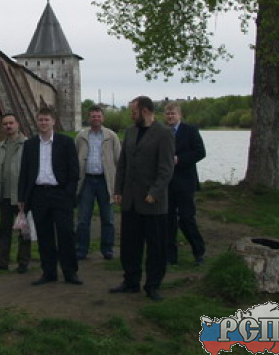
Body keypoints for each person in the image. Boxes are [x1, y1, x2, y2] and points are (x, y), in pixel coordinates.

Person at [110, 96, 174, 301]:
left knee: (156, 247)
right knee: (130, 245)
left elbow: (166, 169)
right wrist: (118, 189)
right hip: (130, 200)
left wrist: (154, 192)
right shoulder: (130, 132)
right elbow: (123, 164)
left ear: (145, 111)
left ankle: (153, 285)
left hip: (152, 202)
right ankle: (131, 281)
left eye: (134, 112)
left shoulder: (164, 133)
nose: (131, 115)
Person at [18, 107, 81, 286]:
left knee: (66, 234)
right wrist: (22, 198)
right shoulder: (30, 145)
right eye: (40, 120)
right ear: (37, 122)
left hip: (60, 194)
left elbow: (74, 171)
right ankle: (49, 272)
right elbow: (24, 173)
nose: (43, 123)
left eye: (46, 120)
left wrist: (68, 193)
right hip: (39, 195)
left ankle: (70, 272)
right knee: (44, 236)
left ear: (53, 121)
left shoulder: (66, 142)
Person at [75, 105, 122, 260]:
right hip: (87, 180)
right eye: (93, 116)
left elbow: (119, 159)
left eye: (98, 116)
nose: (96, 119)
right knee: (83, 218)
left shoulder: (111, 136)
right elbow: (75, 156)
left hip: (105, 180)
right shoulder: (81, 136)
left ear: (103, 118)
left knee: (108, 218)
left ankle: (107, 249)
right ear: (88, 118)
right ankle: (81, 249)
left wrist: (118, 184)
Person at [164, 102, 207, 265]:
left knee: (186, 218)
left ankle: (199, 251)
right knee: (168, 220)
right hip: (167, 183)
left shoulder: (190, 130)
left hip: (185, 182)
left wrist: (180, 159)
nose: (170, 116)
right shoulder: (163, 132)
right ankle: (170, 255)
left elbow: (200, 152)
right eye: (168, 114)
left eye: (173, 114)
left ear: (179, 115)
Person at [0, 113, 31, 273]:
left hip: (21, 197)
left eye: (11, 123)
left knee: (23, 230)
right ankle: (2, 262)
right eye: (5, 124)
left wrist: (28, 193)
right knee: (3, 231)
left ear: (17, 124)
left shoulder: (27, 145)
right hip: (4, 196)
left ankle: (23, 262)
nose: (8, 126)